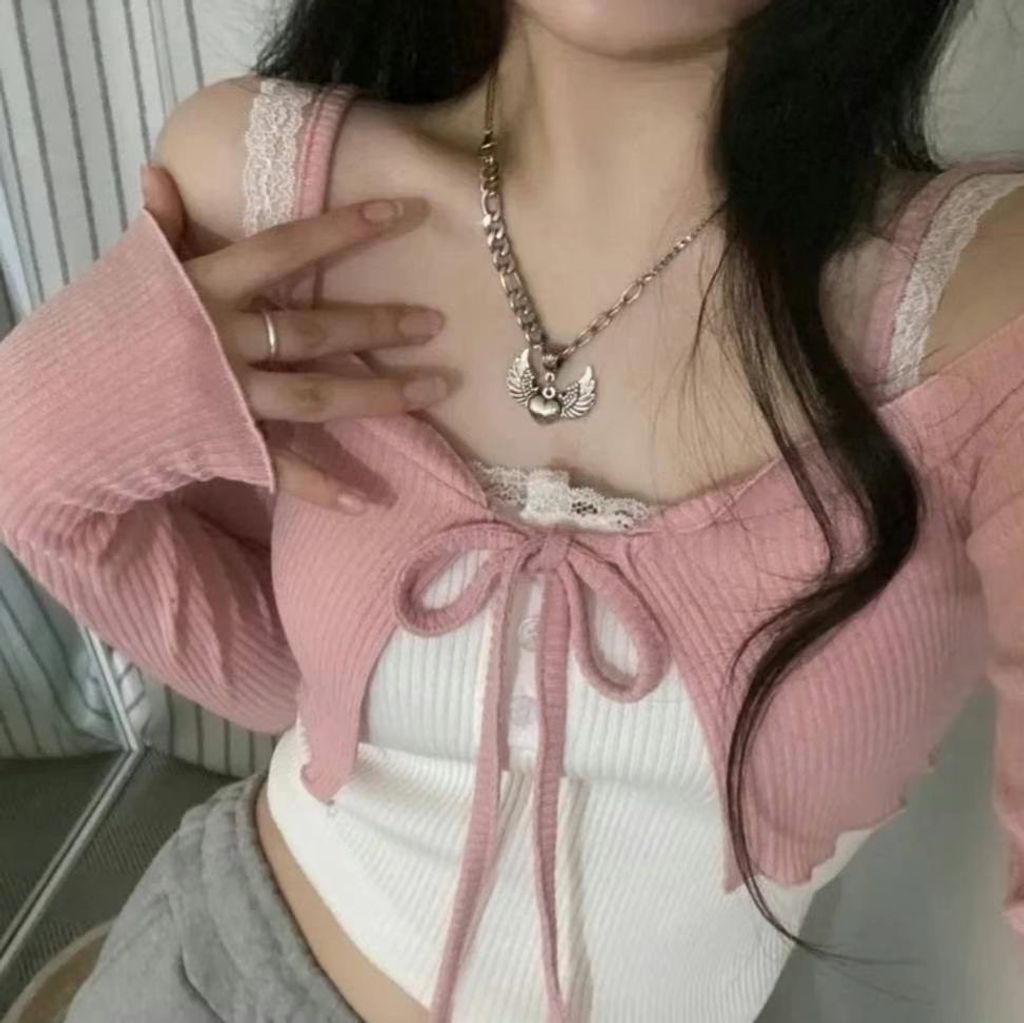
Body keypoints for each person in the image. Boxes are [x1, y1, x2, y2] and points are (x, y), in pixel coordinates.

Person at [1, 1, 1023, 1020]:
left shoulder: (980, 309)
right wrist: (33, 434)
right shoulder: (268, 189)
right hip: (209, 979)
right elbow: (282, 683)